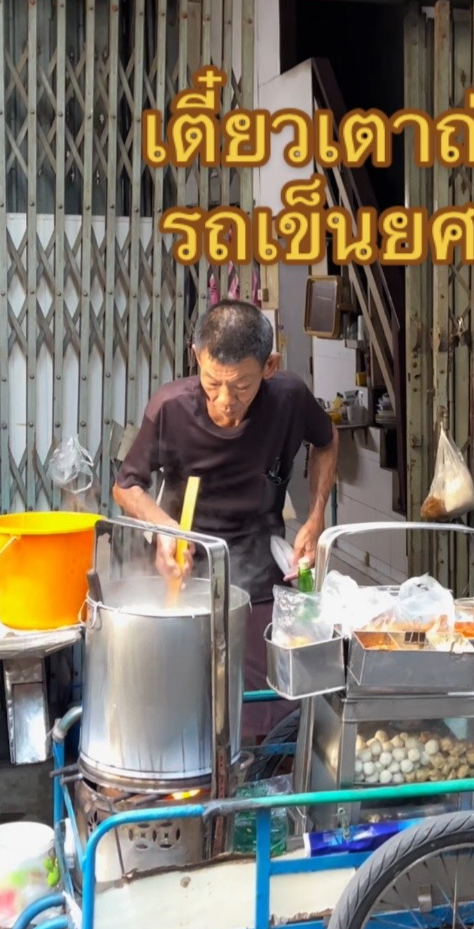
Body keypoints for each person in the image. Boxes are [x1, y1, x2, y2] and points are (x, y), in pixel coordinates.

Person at [113, 299, 339, 739]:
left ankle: (261, 791)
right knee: (183, 710)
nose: (224, 401)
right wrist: (164, 530)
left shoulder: (289, 397)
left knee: (266, 713)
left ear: (269, 366)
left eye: (241, 387)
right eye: (212, 382)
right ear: (196, 356)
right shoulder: (171, 407)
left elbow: (327, 441)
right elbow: (126, 486)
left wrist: (315, 519)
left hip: (258, 573)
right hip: (185, 571)